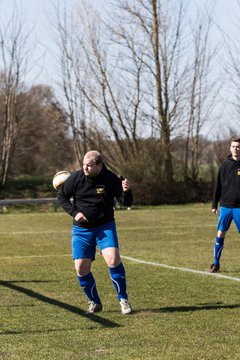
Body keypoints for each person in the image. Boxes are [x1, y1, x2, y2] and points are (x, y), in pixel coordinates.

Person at [57, 150, 133, 314]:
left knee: (113, 259)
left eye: (89, 165)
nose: (85, 168)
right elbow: (62, 197)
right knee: (81, 269)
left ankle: (123, 299)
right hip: (81, 230)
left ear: (99, 165)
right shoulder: (76, 178)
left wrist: (126, 191)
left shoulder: (111, 179)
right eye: (83, 165)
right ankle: (95, 302)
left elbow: (126, 202)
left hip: (104, 227)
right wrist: (75, 213)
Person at [209, 137, 240, 273]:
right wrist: (214, 204)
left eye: (238, 147)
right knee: (221, 233)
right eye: (233, 146)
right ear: (230, 148)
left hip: (239, 207)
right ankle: (216, 263)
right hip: (226, 206)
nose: (235, 149)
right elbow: (218, 185)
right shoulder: (225, 164)